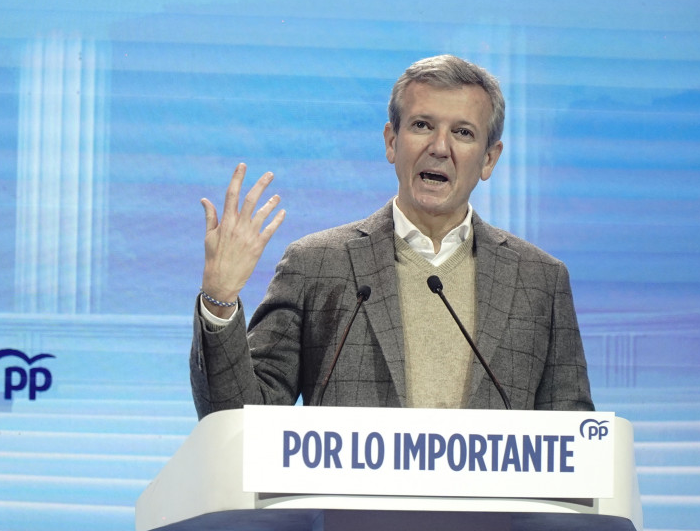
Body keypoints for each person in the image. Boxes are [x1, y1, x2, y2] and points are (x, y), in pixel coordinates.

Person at [191, 55, 593, 419]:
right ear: (391, 141)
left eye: (463, 133)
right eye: (422, 125)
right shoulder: (317, 265)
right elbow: (238, 420)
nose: (439, 147)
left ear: (489, 158)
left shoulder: (539, 279)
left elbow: (575, 444)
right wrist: (219, 300)